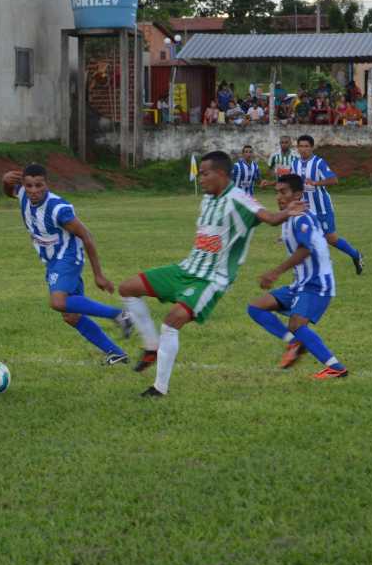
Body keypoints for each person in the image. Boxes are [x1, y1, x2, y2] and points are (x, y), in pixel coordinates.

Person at [117, 150, 306, 397]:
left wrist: (287, 212)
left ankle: (159, 388)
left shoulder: (239, 198)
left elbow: (269, 217)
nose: (200, 178)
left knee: (172, 321)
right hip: (187, 268)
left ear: (221, 174)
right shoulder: (207, 199)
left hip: (212, 279)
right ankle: (151, 347)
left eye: (205, 174)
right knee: (127, 288)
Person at [1, 164, 132, 366]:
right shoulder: (23, 196)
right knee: (71, 316)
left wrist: (98, 275)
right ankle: (116, 353)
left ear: (47, 184)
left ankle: (118, 315)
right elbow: (10, 191)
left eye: (39, 185)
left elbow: (86, 236)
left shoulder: (58, 209)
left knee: (58, 302)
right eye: (29, 186)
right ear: (24, 186)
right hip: (52, 262)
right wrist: (5, 181)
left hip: (68, 257)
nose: (34, 191)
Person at [246, 174, 347, 379]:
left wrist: (275, 272)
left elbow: (306, 249)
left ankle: (336, 368)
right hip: (300, 284)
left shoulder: (301, 217)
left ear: (298, 194)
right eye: (277, 193)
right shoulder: (290, 216)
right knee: (256, 307)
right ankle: (294, 342)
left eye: (284, 192)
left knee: (297, 325)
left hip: (317, 283)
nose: (279, 197)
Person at [293, 134, 364, 274]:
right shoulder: (295, 163)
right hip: (305, 208)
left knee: (331, 239)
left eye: (306, 146)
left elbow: (333, 180)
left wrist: (316, 183)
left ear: (312, 148)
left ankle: (356, 255)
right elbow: (292, 182)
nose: (303, 149)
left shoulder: (319, 163)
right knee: (304, 236)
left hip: (322, 208)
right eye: (300, 146)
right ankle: (319, 264)